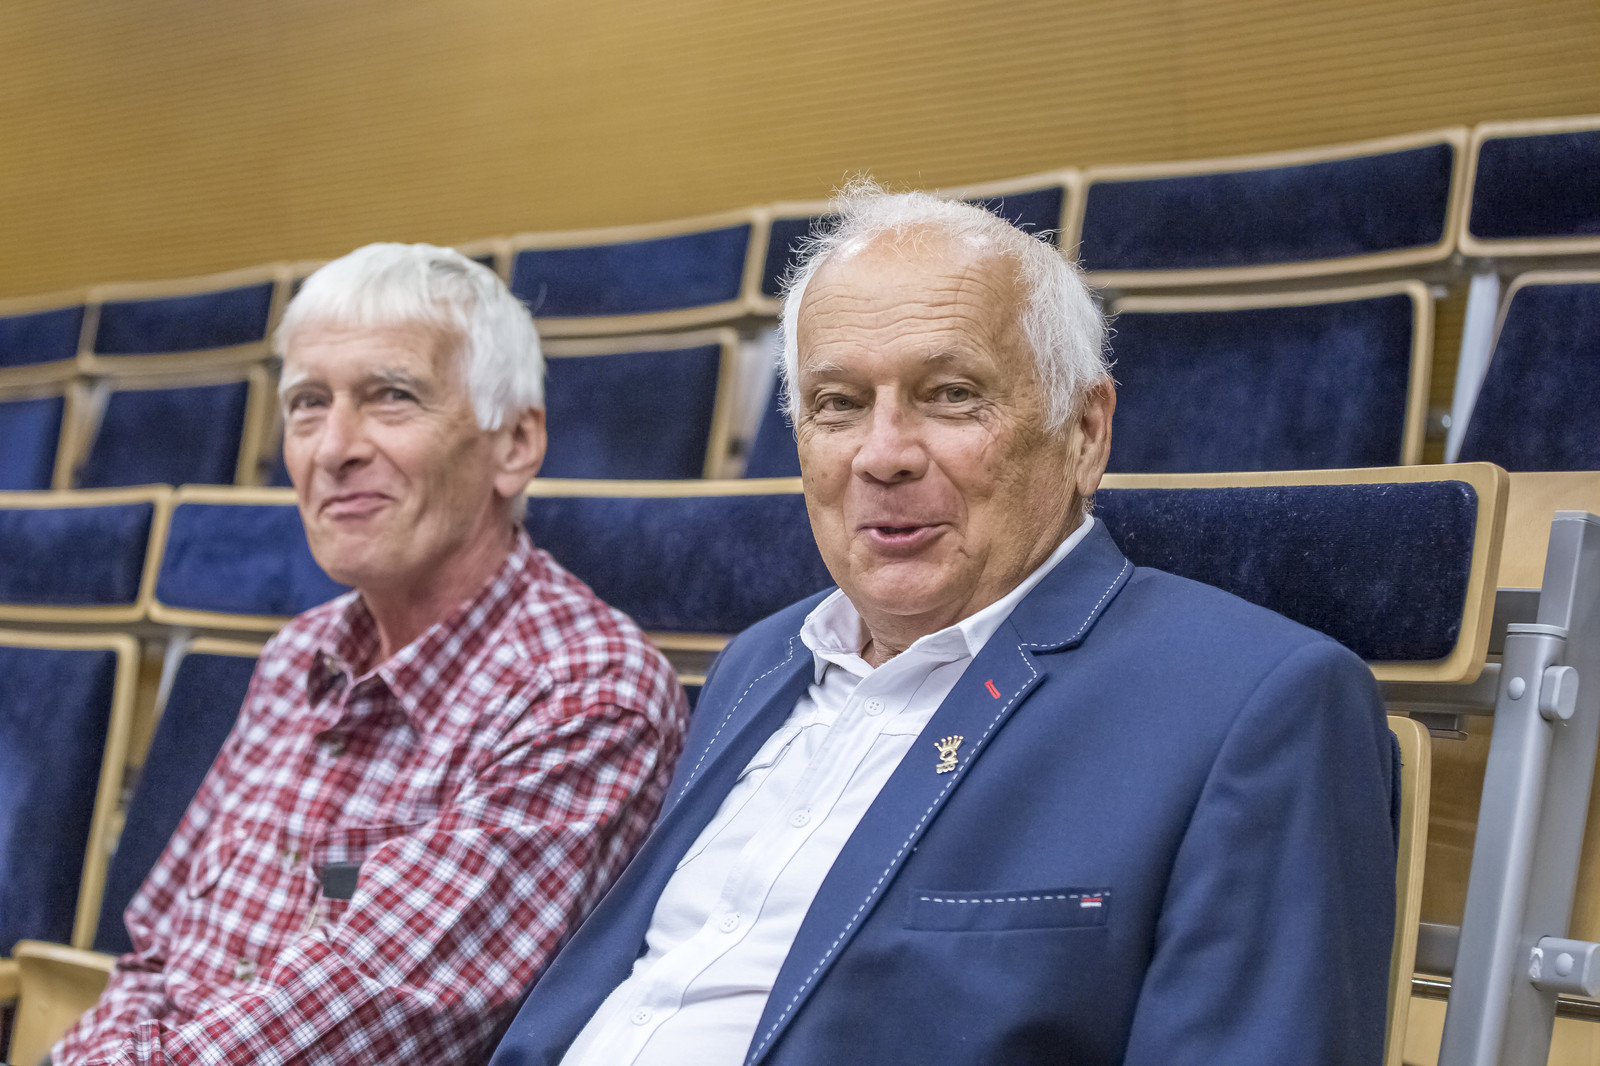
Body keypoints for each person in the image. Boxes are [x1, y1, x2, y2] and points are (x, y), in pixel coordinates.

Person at [487, 186, 1398, 1066]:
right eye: (838, 404)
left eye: (952, 394)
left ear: (1085, 432)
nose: (883, 455)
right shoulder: (758, 662)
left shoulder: (1255, 704)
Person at [55, 244, 689, 1066]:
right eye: (307, 404)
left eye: (392, 397)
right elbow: (153, 959)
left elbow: (349, 1019)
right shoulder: (296, 655)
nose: (334, 448)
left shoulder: (588, 696)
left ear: (515, 443)